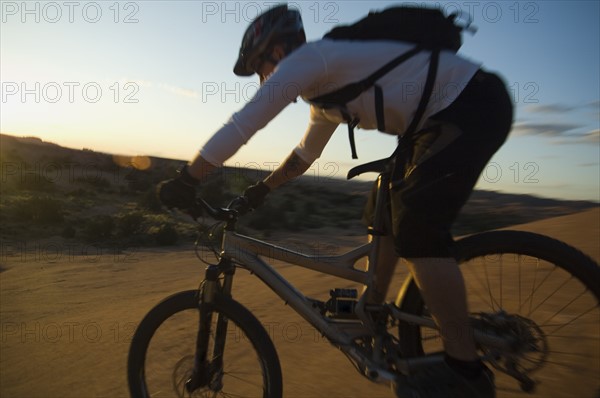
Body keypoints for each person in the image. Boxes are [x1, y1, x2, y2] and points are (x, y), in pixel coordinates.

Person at [158, 4, 513, 397]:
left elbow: (245, 124)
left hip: (473, 105)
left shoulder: (312, 59)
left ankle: (465, 373)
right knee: (383, 203)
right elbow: (303, 158)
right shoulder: (322, 97)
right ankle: (371, 310)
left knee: (417, 226)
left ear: (277, 52)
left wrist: (186, 179)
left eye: (260, 67)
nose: (262, 78)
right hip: (436, 122)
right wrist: (259, 192)